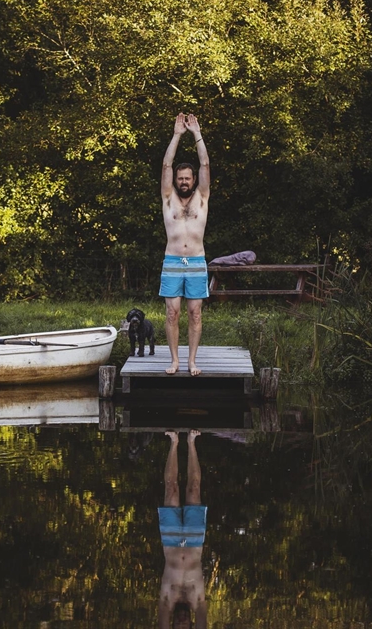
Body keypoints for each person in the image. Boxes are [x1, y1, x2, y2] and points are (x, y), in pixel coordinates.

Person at [160, 113, 211, 376]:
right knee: (172, 313)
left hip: (196, 262)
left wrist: (196, 134)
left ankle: (191, 361)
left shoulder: (202, 197)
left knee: (195, 313)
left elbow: (204, 163)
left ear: (193, 180)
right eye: (180, 178)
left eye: (187, 178)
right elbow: (166, 165)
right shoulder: (168, 198)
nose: (183, 181)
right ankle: (175, 361)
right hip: (172, 262)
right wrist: (177, 135)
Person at [158, 430, 207, 628]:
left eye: (177, 625)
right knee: (194, 488)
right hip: (194, 540)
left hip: (170, 540)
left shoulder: (167, 600)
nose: (181, 620)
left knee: (171, 489)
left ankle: (174, 442)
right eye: (185, 625)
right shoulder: (198, 601)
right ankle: (192, 442)